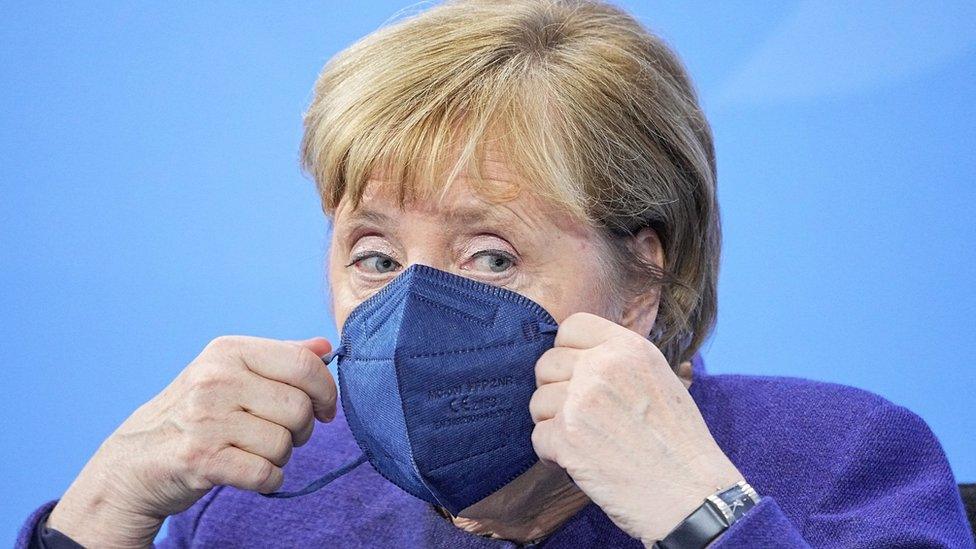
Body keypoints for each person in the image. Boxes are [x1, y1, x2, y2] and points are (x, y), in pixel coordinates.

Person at [16, 0, 974, 547]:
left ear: (646, 274)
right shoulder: (249, 506)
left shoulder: (841, 459)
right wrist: (107, 506)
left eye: (491, 256)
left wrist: (705, 519)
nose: (412, 306)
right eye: (376, 257)